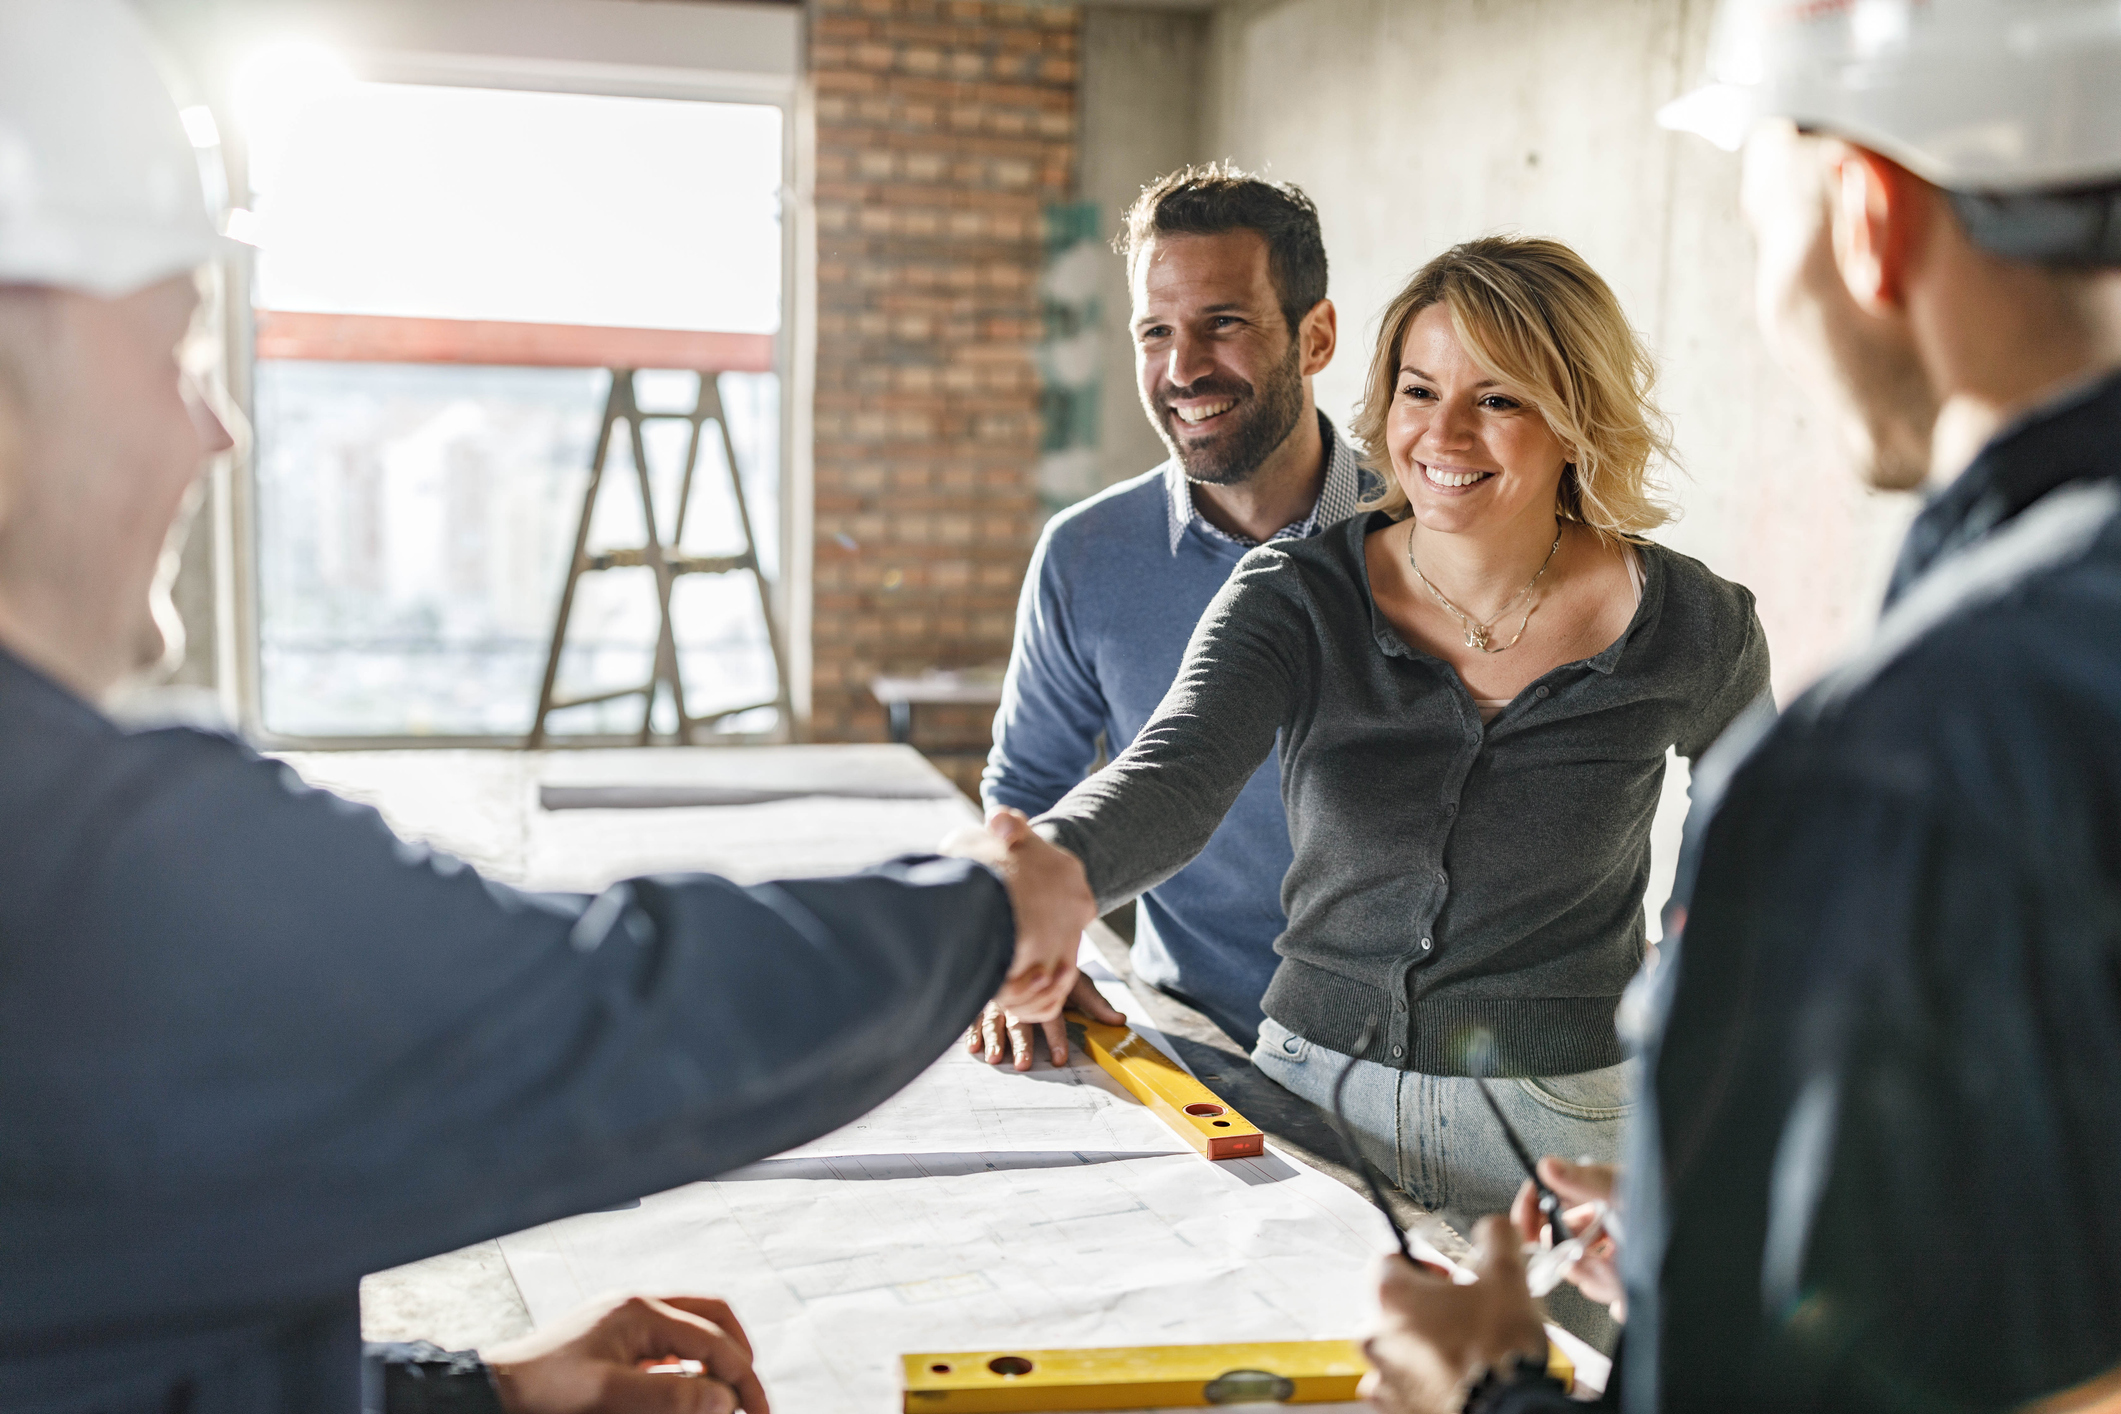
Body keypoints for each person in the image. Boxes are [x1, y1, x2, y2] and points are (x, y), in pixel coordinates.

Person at [0, 4, 1094, 1411]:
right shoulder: (87, 863)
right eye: (179, 352)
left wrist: (477, 1393)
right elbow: (614, 1016)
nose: (221, 427)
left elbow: (105, 1326)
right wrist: (987, 911)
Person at [1357, 1, 2121, 1411]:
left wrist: (1488, 1387)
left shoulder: (1886, 768)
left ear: (1864, 216)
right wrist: (1750, 1248)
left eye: (1762, 224)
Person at [996, 234, 1770, 1232]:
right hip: (1306, 1098)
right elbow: (1171, 778)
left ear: (1576, 416)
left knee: (1544, 1390)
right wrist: (1045, 874)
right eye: (1418, 390)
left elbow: (1758, 856)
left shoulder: (1698, 624)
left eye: (1497, 398)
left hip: (1566, 1133)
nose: (1443, 435)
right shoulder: (1296, 592)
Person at [977, 164, 1374, 1063]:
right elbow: (1029, 789)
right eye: (1154, 332)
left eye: (1222, 324)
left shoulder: (1423, 542)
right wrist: (1030, 945)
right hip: (1190, 1039)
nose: (1183, 368)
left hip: (1405, 1062)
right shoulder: (1086, 555)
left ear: (1315, 338)